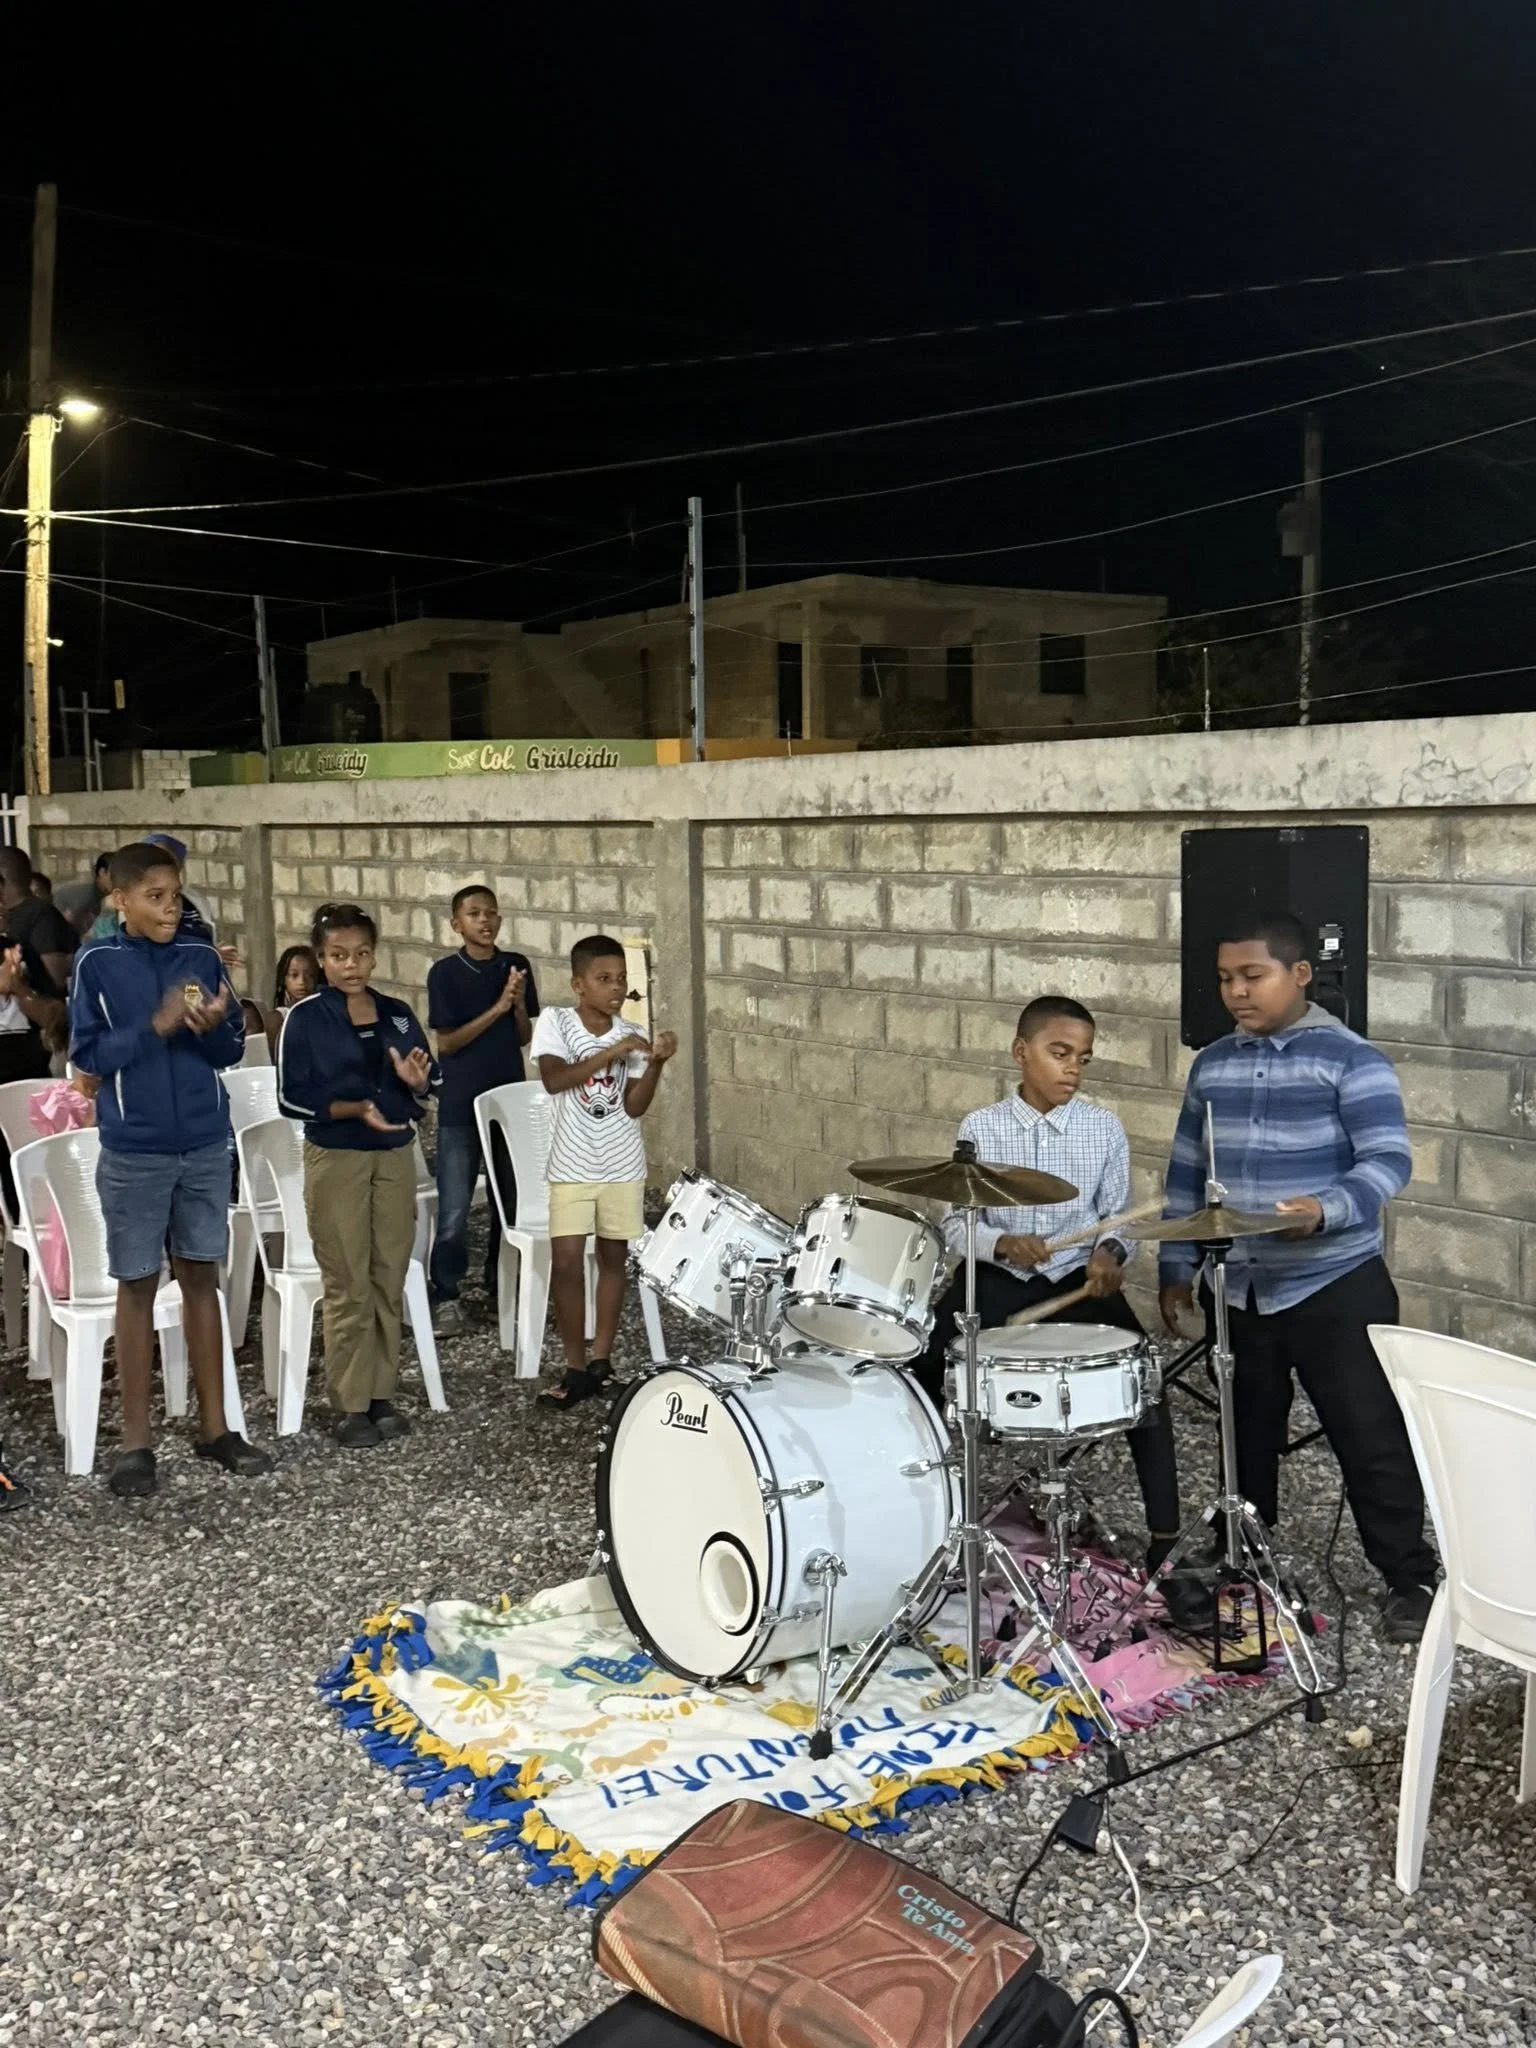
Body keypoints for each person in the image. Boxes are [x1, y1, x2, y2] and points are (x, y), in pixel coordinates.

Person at [1158, 909, 1437, 1644]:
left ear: (1300, 974)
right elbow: (1187, 1170)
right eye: (1225, 979)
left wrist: (1326, 1208)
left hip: (1334, 1281)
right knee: (1245, 1433)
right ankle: (1243, 1555)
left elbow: (1388, 1161)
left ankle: (1410, 1576)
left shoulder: (1351, 1060)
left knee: (1367, 1434)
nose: (1237, 992)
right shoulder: (1212, 1064)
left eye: (1253, 976)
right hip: (1243, 1286)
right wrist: (1176, 1265)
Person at [912, 996, 1206, 1625]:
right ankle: (921, 1524)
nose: (1074, 1068)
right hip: (996, 1281)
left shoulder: (1103, 1128)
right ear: (1022, 1052)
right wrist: (999, 1242)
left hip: (1077, 1280)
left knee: (1144, 1385)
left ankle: (1164, 1546)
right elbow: (956, 1225)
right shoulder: (982, 1126)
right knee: (919, 1374)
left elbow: (1119, 1217)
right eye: (1060, 1052)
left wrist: (1108, 1250)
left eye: (1084, 1057)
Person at [68, 841, 272, 1497]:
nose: (169, 907)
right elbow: (88, 1058)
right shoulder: (97, 963)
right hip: (135, 1148)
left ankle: (216, 1428)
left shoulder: (196, 957)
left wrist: (211, 1025)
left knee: (201, 1278)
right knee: (136, 1285)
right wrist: (153, 1027)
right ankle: (135, 1443)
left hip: (206, 1142)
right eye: (154, 896)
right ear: (120, 900)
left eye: (175, 894)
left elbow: (223, 1049)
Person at [276, 902, 439, 1448]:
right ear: (321, 960)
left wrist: (415, 1083)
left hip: (394, 1153)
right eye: (339, 956)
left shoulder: (395, 1012)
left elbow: (428, 1078)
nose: (352, 965)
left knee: (388, 1272)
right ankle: (348, 1404)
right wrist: (351, 1109)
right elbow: (290, 1098)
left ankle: (381, 1394)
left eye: (362, 954)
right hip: (338, 1156)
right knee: (347, 1278)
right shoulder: (304, 1018)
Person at [530, 933, 675, 1409]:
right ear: (578, 984)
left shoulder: (629, 1034)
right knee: (568, 1262)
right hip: (571, 1165)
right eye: (604, 979)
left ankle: (601, 1361)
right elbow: (554, 1079)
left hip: (621, 1163)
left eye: (622, 980)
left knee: (614, 1260)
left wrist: (654, 1064)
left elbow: (633, 1107)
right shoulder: (556, 1022)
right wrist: (609, 1053)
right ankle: (573, 1366)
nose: (616, 989)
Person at [425, 885, 538, 1333]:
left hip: (509, 1102)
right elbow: (447, 1043)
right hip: (460, 1103)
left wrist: (514, 1006)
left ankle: (500, 1286)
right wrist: (498, 1007)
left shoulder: (517, 966)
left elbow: (524, 1036)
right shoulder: (445, 974)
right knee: (454, 1210)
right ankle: (446, 1294)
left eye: (492, 913)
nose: (485, 921)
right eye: (474, 914)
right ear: (457, 924)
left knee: (509, 1202)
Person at [0, 847, 76, 997]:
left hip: (38, 1012)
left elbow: (56, 975)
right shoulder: (37, 912)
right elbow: (58, 972)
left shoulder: (38, 913)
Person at [268, 944, 319, 1044]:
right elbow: (279, 1058)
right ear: (284, 979)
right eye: (294, 975)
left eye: (310, 975)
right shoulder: (277, 1019)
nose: (302, 982)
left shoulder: (327, 1014)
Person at [52, 854, 111, 939]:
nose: (118, 878)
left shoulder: (107, 896)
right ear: (102, 872)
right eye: (113, 874)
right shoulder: (83, 895)